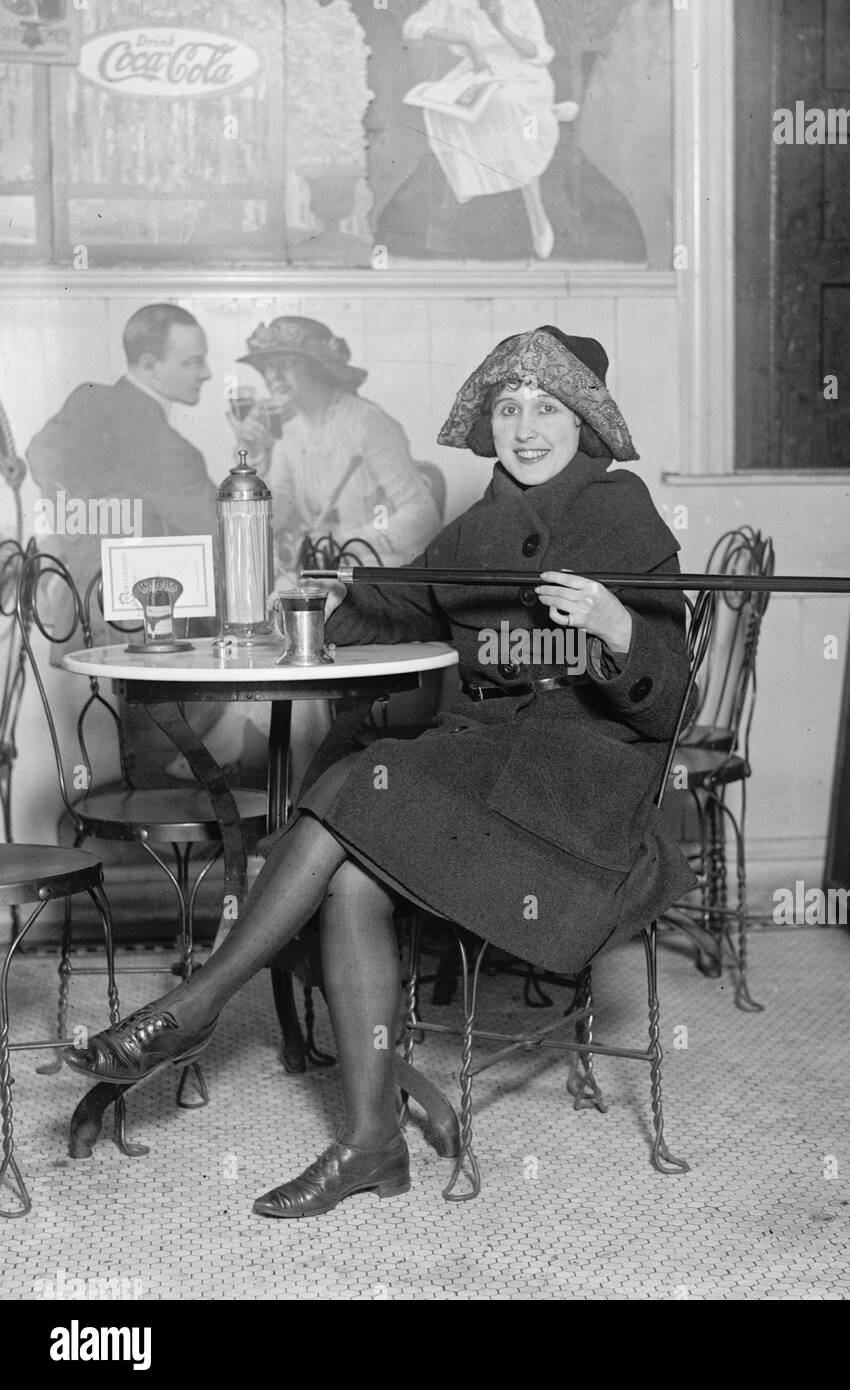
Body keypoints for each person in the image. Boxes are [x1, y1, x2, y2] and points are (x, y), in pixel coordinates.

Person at [65, 325, 697, 1218]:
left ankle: (197, 1004)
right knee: (351, 876)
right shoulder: (480, 523)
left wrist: (616, 626)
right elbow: (401, 600)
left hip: (579, 799)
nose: (524, 427)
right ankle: (370, 1146)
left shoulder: (622, 510)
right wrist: (331, 591)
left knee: (350, 790)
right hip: (485, 770)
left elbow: (672, 705)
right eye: (509, 407)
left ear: (584, 422)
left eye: (546, 409)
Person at [26, 303, 216, 605]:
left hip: (74, 606)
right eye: (192, 362)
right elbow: (222, 533)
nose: (206, 373)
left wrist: (70, 528)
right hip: (133, 619)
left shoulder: (87, 399)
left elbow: (40, 452)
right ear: (150, 365)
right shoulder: (171, 452)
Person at [230, 316, 441, 582]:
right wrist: (252, 456)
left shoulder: (366, 421)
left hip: (382, 570)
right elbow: (275, 518)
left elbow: (423, 516)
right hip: (324, 570)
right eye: (268, 367)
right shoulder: (289, 433)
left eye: (286, 364)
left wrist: (344, 543)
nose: (273, 377)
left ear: (318, 367)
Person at [403, 0, 571, 259]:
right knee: (441, 109)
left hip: (524, 73)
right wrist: (466, 41)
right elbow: (414, 26)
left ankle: (536, 212)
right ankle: (472, 176)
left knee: (508, 104)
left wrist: (501, 26)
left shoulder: (520, 4)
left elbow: (538, 52)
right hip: (478, 71)